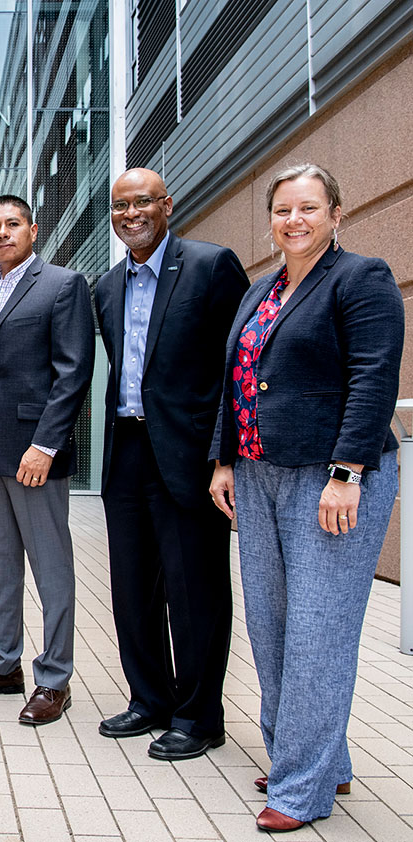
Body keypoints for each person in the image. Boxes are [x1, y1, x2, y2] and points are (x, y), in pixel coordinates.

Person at [210, 164, 404, 830]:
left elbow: (374, 378)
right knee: (270, 626)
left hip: (330, 480)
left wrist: (347, 471)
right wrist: (223, 461)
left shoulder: (362, 279)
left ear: (337, 214)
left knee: (318, 635)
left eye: (309, 209)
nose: (294, 221)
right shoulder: (260, 291)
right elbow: (234, 380)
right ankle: (318, 759)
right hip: (258, 474)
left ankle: (300, 790)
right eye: (283, 210)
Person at [95, 167, 249, 760]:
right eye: (119, 206)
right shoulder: (106, 287)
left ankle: (199, 716)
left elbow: (237, 372)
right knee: (132, 587)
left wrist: (223, 456)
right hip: (127, 452)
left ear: (167, 204)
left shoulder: (212, 267)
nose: (130, 213)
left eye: (142, 202)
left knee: (195, 589)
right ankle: (150, 699)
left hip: (189, 458)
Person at [0, 195, 95, 726]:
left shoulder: (61, 285)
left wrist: (47, 445)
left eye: (12, 224)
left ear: (34, 230)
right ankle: (1, 666)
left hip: (35, 455)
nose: (2, 232)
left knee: (51, 568)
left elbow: (73, 373)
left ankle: (54, 680)